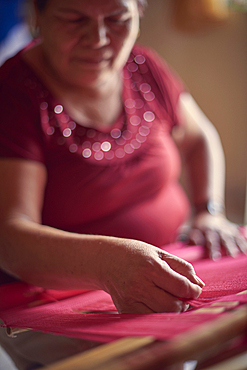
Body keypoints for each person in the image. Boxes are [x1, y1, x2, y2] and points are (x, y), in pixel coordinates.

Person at [0, 0, 246, 367]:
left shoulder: (143, 67)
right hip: (64, 295)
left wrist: (207, 210)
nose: (98, 39)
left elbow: (199, 138)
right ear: (39, 15)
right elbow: (10, 238)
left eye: (117, 20)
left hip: (173, 253)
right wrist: (109, 265)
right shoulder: (14, 95)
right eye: (74, 19)